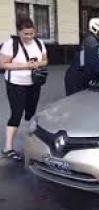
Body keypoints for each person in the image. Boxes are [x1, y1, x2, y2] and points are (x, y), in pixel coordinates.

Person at [0, 18, 48, 161]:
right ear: (19, 32)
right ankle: (8, 148)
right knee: (16, 113)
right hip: (16, 84)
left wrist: (38, 64)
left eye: (31, 33)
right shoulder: (11, 44)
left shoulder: (39, 43)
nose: (28, 37)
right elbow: (3, 64)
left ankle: (33, 145)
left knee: (31, 113)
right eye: (25, 34)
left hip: (34, 83)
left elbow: (45, 61)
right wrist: (25, 66)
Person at [64, 17, 99, 96]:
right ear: (95, 30)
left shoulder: (94, 39)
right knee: (75, 100)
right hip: (76, 76)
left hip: (81, 74)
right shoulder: (90, 40)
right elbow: (98, 54)